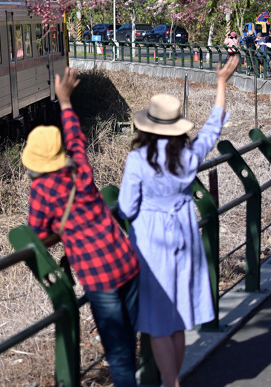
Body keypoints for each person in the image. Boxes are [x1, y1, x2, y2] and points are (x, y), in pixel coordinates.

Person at [118, 55, 239, 387]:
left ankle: (171, 382)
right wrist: (220, 83)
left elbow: (127, 208)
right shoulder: (188, 157)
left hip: (150, 241)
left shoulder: (138, 159)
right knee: (176, 320)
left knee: (157, 321)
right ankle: (175, 378)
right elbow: (213, 128)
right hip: (185, 233)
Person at [24, 68, 140, 387]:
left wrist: (60, 232)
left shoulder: (42, 192)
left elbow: (35, 235)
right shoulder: (80, 171)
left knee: (116, 352)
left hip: (98, 275)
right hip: (126, 260)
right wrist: (64, 100)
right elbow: (76, 136)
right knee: (129, 339)